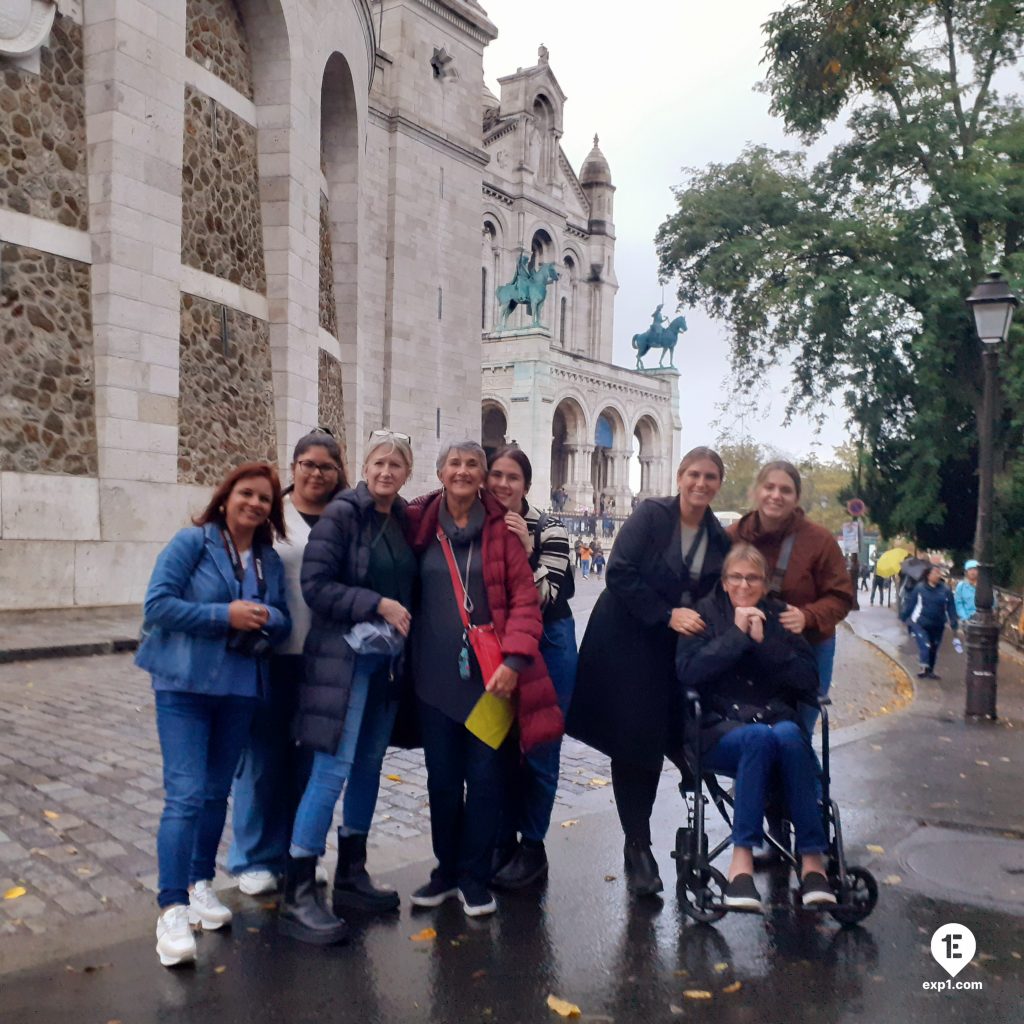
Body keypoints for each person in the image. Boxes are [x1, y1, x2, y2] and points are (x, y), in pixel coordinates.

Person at [136, 463, 291, 968]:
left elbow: (284, 617)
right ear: (226, 497)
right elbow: (158, 606)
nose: (254, 504)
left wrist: (267, 618)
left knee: (216, 792)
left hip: (240, 687)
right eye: (246, 494)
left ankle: (201, 884)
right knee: (183, 794)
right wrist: (223, 615)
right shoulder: (193, 542)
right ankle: (171, 907)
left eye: (264, 499)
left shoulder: (268, 560)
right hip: (184, 685)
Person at [405, 440, 563, 917]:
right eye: (454, 462)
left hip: (491, 682)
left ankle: (475, 877)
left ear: (482, 474)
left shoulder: (501, 533)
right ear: (440, 472)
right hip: (434, 682)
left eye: (473, 463)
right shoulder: (419, 524)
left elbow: (525, 602)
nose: (463, 470)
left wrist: (515, 663)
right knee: (443, 781)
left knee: (486, 779)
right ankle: (445, 870)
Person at [568, 447, 731, 897]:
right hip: (627, 641)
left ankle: (684, 793)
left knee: (680, 733)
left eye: (710, 477)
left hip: (677, 651)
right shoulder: (651, 516)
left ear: (718, 483)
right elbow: (619, 572)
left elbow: (722, 593)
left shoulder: (719, 539)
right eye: (694, 474)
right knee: (635, 743)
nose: (701, 483)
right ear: (680, 477)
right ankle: (637, 846)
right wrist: (667, 614)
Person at [279, 430, 417, 944]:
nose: (386, 472)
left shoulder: (402, 517)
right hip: (344, 660)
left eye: (396, 465)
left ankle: (352, 873)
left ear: (406, 473)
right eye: (378, 462)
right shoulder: (343, 514)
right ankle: (298, 886)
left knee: (369, 766)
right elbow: (315, 587)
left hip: (387, 663)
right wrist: (375, 604)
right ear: (365, 466)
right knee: (331, 769)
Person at [675, 544, 836, 912]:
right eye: (737, 577)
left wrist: (765, 646)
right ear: (725, 582)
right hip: (718, 730)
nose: (744, 585)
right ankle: (741, 863)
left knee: (790, 736)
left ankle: (813, 863)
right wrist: (736, 636)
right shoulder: (704, 615)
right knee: (761, 738)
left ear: (764, 584)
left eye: (753, 578)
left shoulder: (782, 618)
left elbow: (809, 680)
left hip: (776, 725)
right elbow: (688, 673)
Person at [229, 430, 347, 897]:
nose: (316, 473)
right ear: (293, 466)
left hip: (326, 662)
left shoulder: (345, 518)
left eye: (326, 467)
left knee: (308, 763)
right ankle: (253, 857)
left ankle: (299, 851)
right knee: (261, 758)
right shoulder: (269, 515)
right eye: (308, 464)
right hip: (272, 654)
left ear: (338, 473)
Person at [486, 446, 577, 889]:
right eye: (496, 475)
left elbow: (547, 598)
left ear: (527, 484)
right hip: (498, 647)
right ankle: (501, 838)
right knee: (497, 743)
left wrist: (524, 550)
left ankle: (533, 846)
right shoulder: (480, 524)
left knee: (540, 745)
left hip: (551, 643)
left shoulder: (550, 527)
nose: (503, 484)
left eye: (513, 477)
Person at [728, 461, 854, 735]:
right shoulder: (733, 536)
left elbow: (842, 596)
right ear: (756, 491)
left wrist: (807, 616)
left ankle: (801, 776)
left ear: (796, 498)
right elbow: (715, 587)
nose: (776, 495)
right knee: (751, 731)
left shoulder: (819, 540)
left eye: (785, 490)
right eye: (769, 487)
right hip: (752, 651)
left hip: (807, 649)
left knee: (796, 734)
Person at [900, 565, 959, 679]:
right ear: (928, 575)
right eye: (935, 573)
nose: (938, 575)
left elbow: (950, 607)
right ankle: (923, 667)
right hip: (920, 622)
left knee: (934, 647)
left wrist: (953, 621)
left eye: (939, 573)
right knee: (925, 645)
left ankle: (930, 670)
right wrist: (904, 617)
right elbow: (910, 605)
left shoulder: (945, 590)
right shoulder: (920, 588)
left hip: (938, 624)